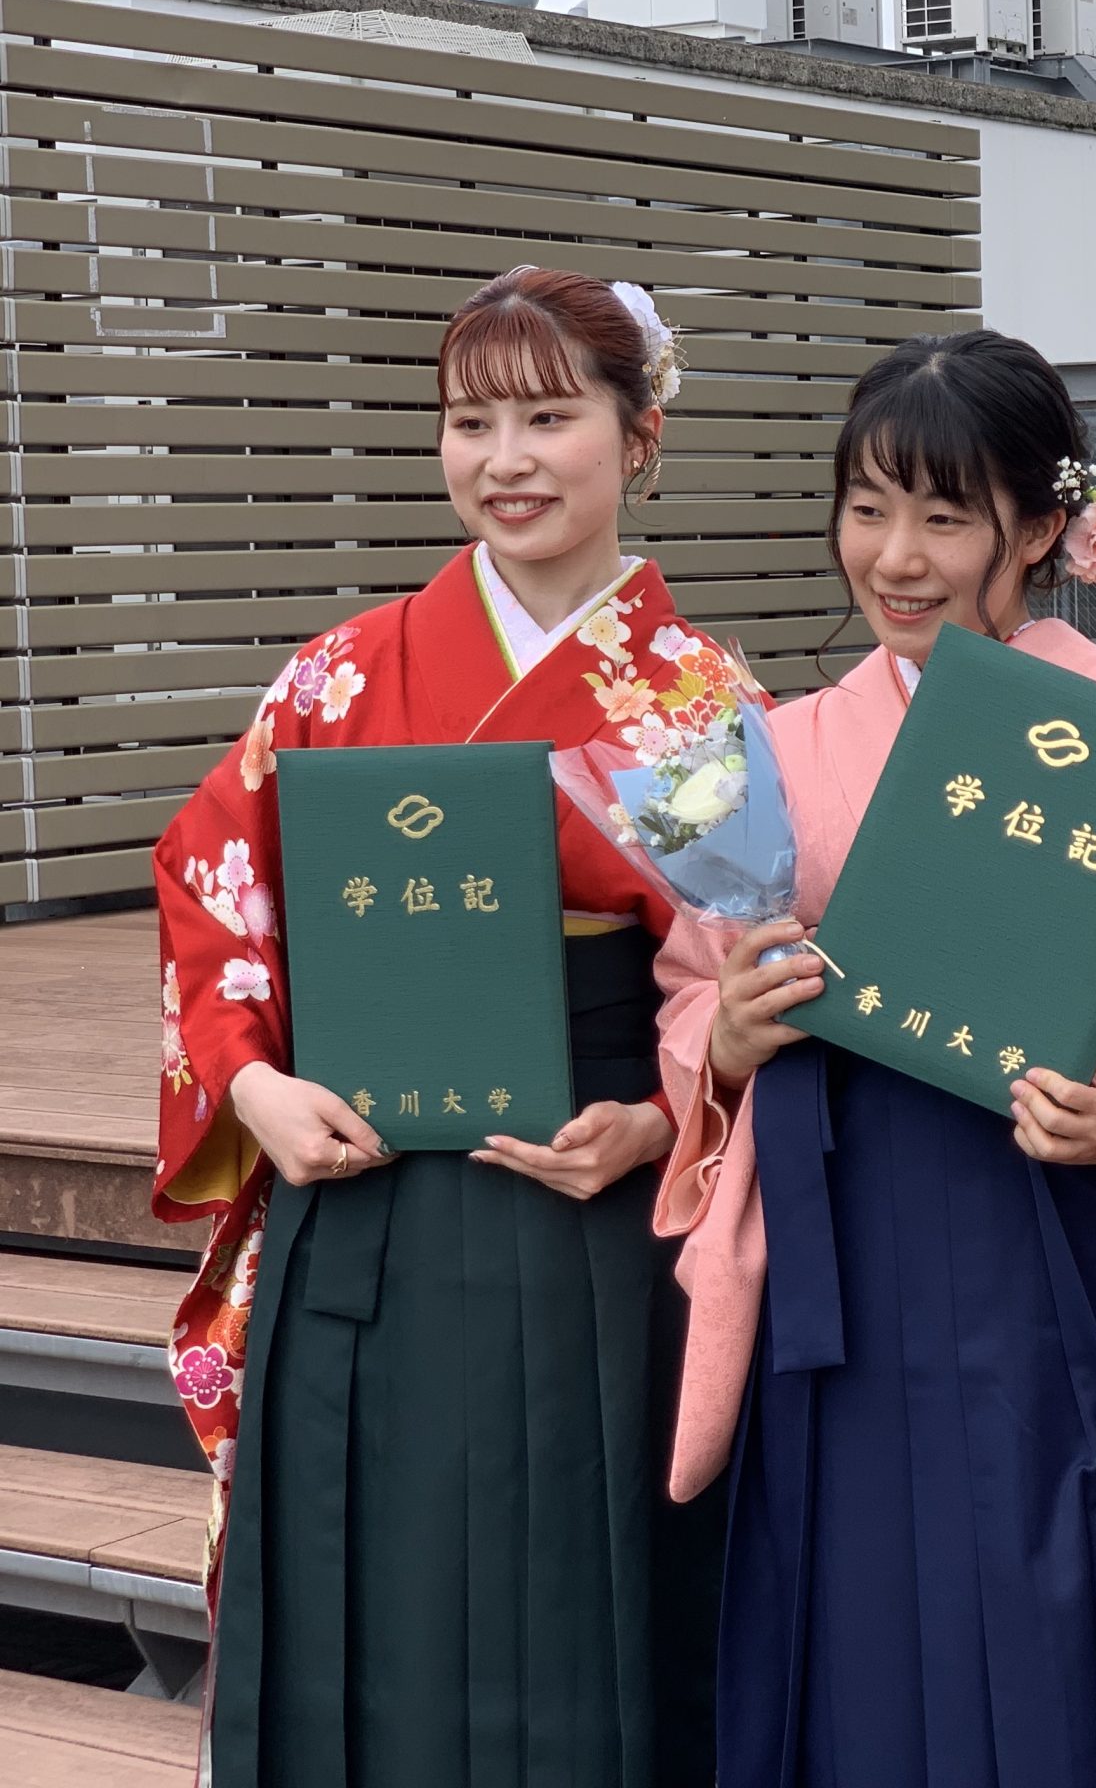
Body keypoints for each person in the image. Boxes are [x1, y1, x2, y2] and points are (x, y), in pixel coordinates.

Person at [650, 328, 1096, 1788]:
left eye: (945, 516)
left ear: (1041, 528)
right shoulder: (764, 743)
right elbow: (683, 986)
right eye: (868, 509)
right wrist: (724, 1035)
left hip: (1055, 1208)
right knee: (854, 1601)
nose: (896, 558)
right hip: (843, 1227)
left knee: (1076, 1587)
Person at [153, 265, 728, 1785]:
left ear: (639, 435)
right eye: (472, 422)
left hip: (579, 1195)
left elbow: (739, 973)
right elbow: (213, 882)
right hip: (356, 1189)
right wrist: (252, 1085)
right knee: (352, 1580)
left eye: (549, 418)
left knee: (570, 1600)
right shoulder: (344, 671)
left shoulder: (693, 702)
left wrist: (661, 1121)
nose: (506, 460)